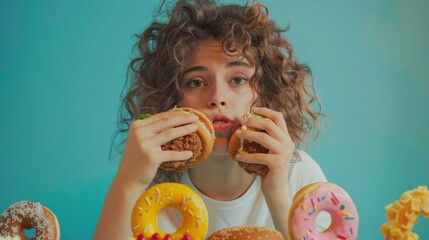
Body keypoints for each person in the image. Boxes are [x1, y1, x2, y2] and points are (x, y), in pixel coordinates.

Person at [94, 0, 326, 239]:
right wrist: (127, 183)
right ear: (172, 98)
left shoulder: (299, 176)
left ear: (267, 92)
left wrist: (277, 192)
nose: (217, 98)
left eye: (238, 79)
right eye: (196, 82)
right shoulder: (150, 187)